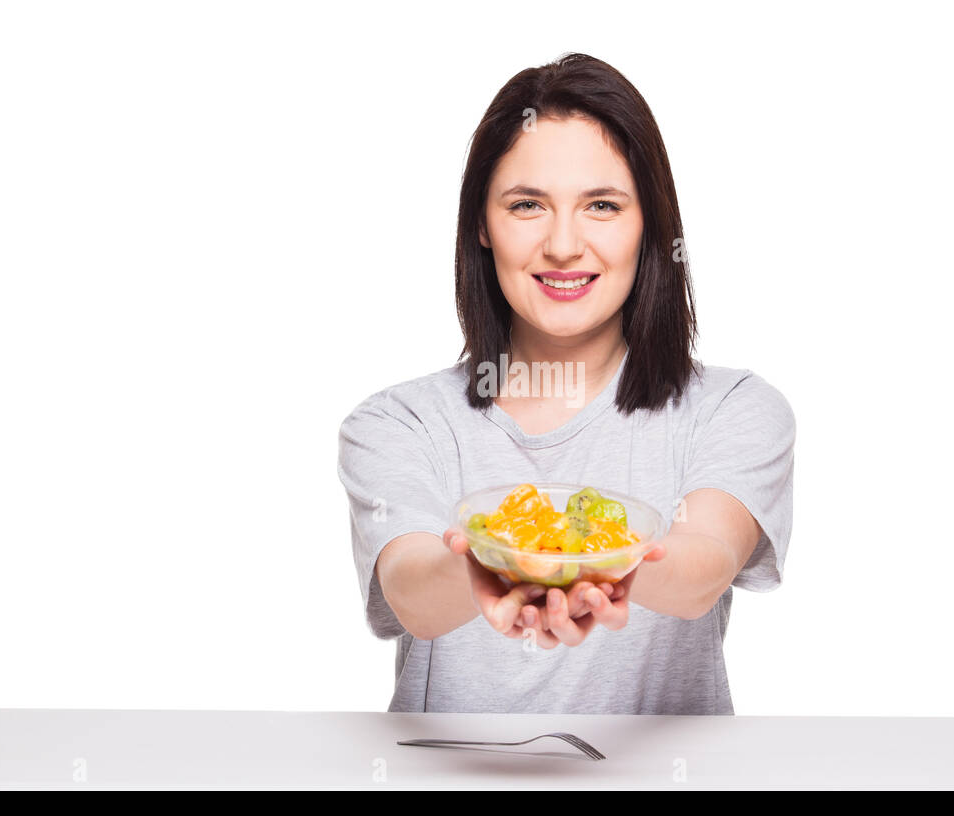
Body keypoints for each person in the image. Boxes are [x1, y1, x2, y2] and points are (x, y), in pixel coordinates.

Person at [337, 53, 795, 714]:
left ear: (650, 227)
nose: (562, 244)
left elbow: (703, 567)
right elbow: (411, 589)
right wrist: (494, 565)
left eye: (602, 205)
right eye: (527, 205)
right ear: (481, 228)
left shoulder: (734, 411)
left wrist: (584, 561)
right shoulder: (397, 423)